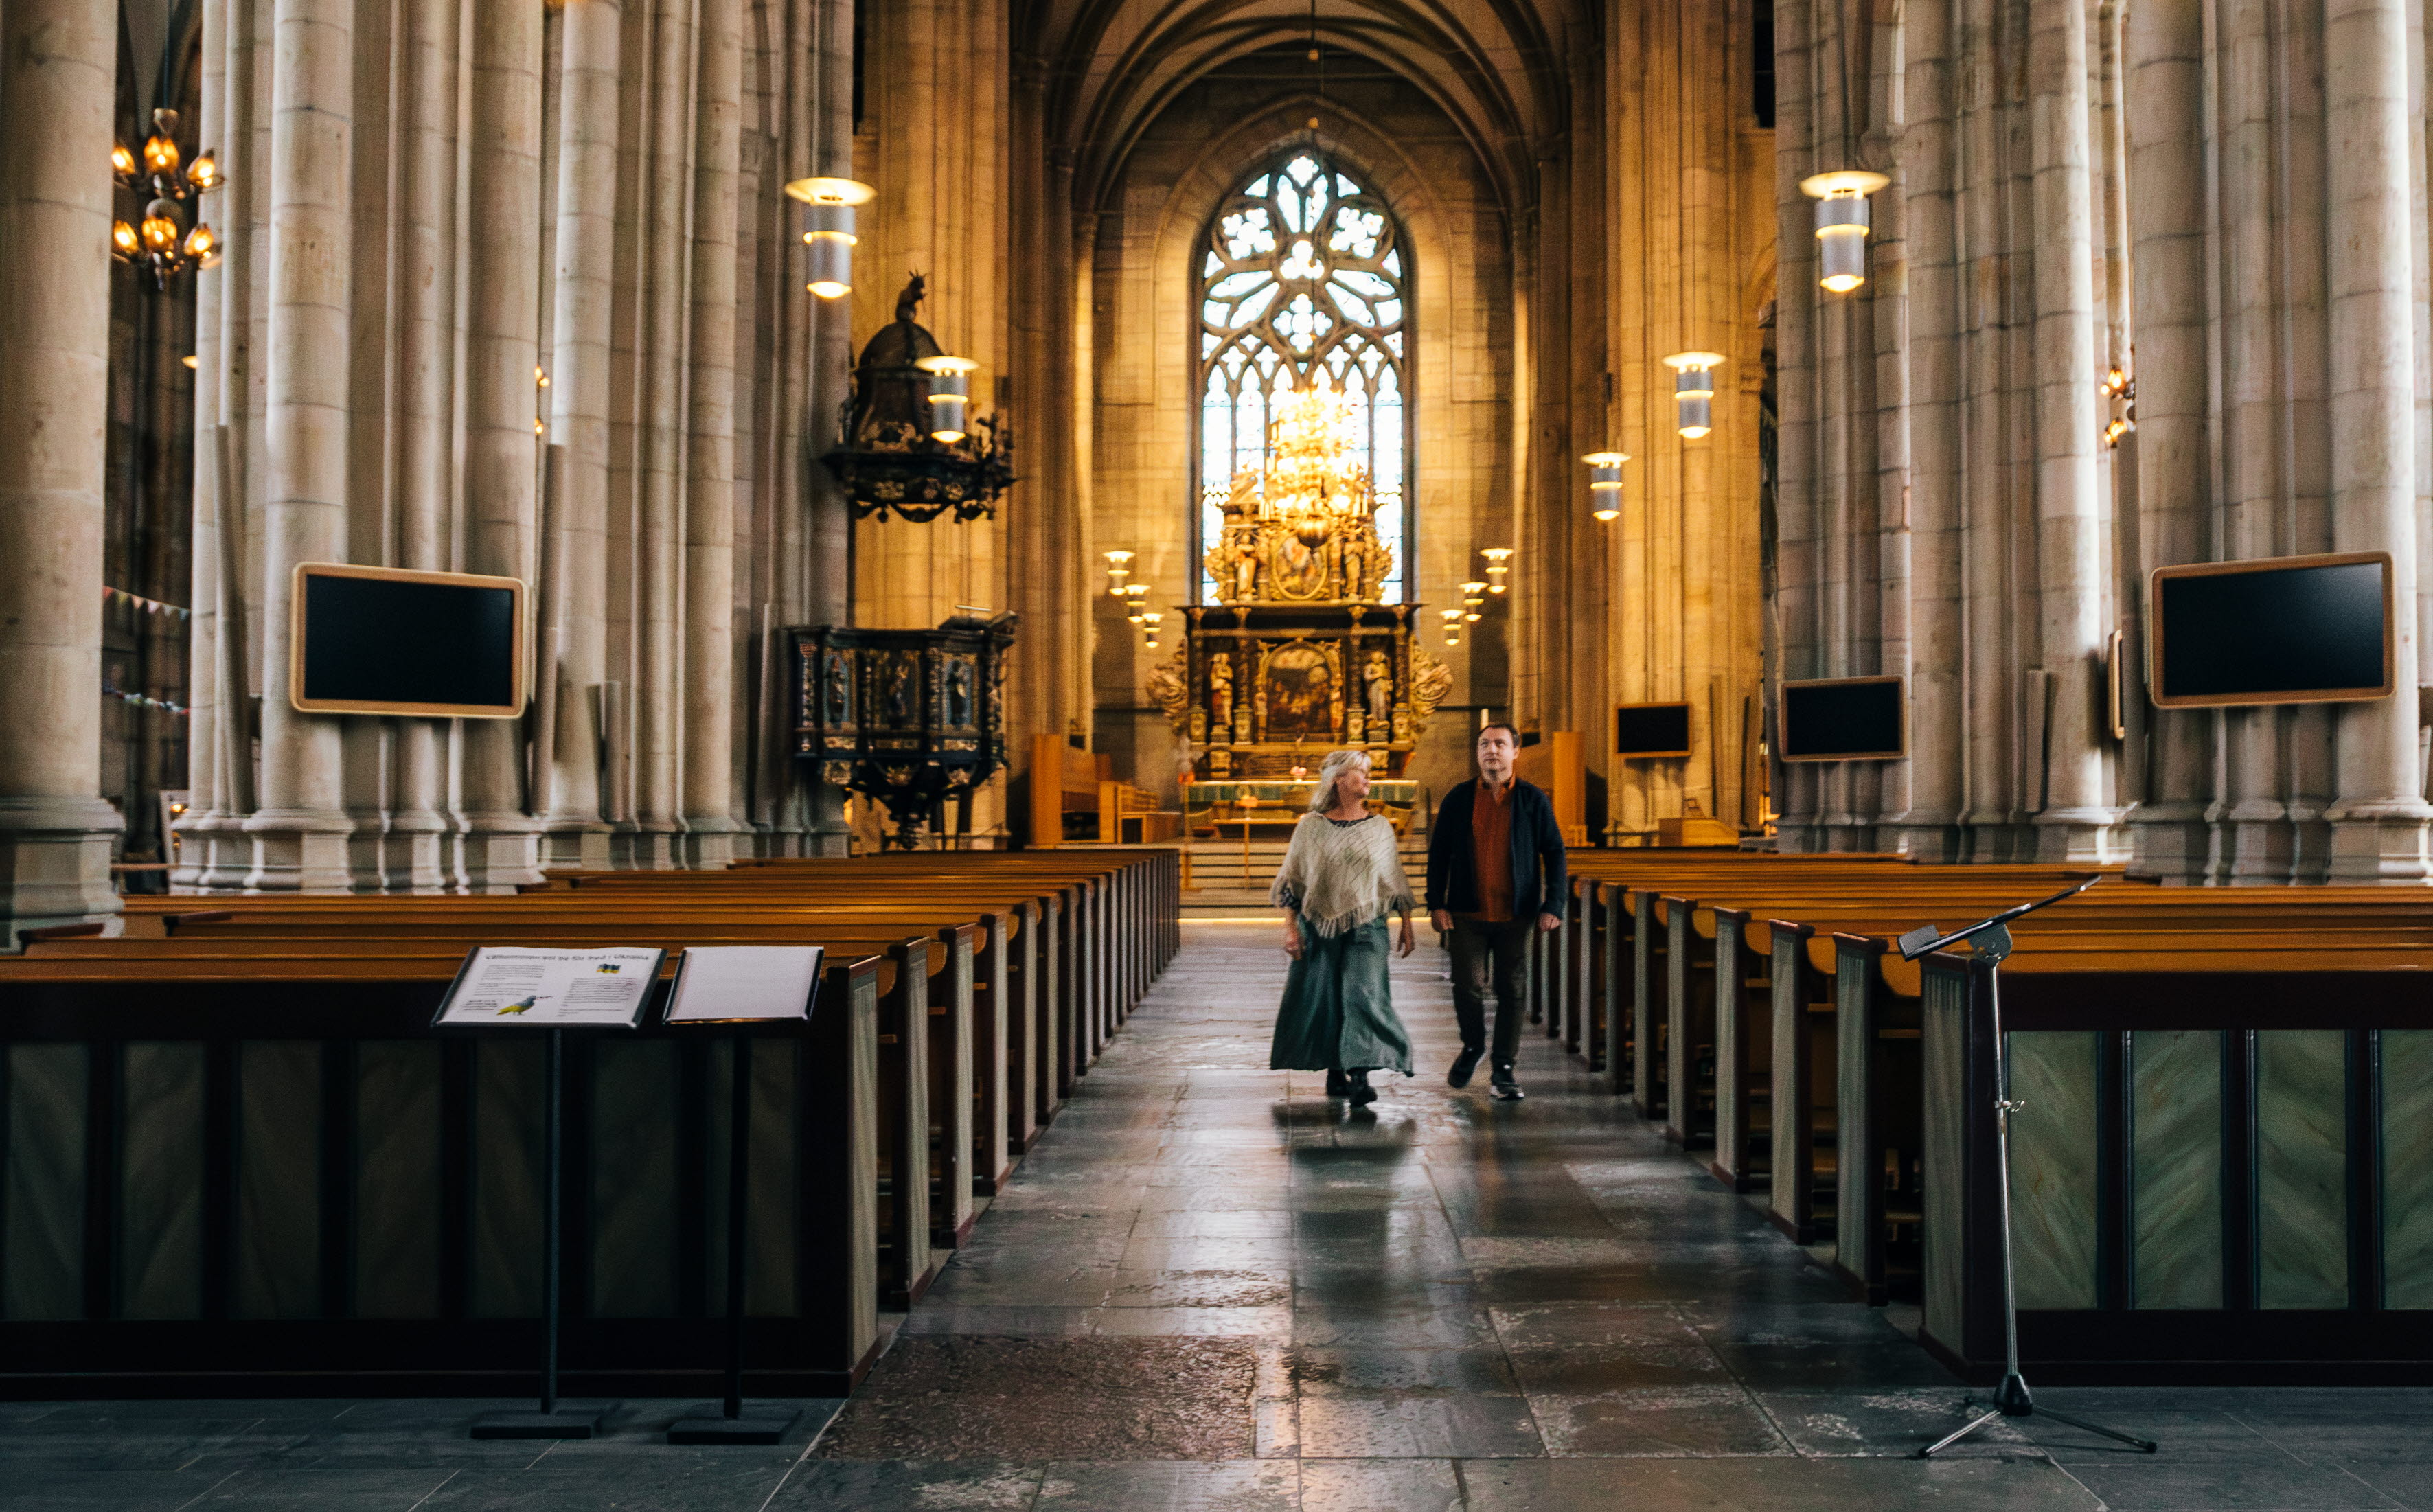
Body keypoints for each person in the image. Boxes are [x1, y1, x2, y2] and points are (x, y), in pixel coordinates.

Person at [1425, 723, 1567, 1100]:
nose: (1492, 750)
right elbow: (1438, 854)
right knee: (1468, 985)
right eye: (1484, 744)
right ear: (1477, 753)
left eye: (1500, 744)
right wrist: (1436, 902)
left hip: (1515, 913)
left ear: (1515, 752)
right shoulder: (1458, 798)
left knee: (1512, 988)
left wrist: (1554, 904)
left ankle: (1504, 1067)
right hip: (1467, 912)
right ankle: (1473, 1046)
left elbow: (1554, 853)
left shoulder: (1533, 799)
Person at [1269, 748, 1419, 1106]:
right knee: (1326, 998)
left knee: (1364, 995)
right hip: (1317, 926)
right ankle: (1336, 1070)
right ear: (1338, 779)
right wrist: (1291, 929)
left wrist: (1408, 924)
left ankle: (1361, 1075)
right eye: (1360, 772)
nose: (1367, 779)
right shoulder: (1311, 827)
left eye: (1368, 773)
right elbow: (1294, 881)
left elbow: (1392, 880)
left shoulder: (1380, 827)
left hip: (1369, 925)